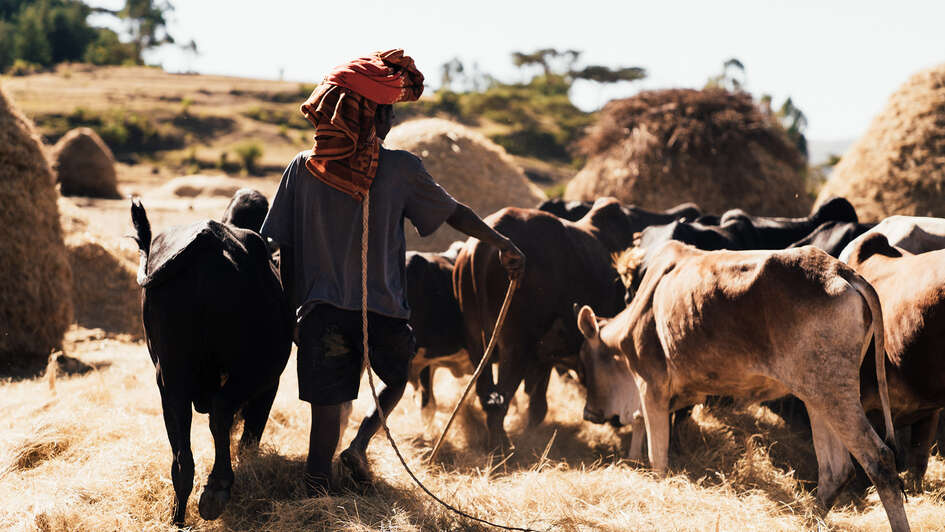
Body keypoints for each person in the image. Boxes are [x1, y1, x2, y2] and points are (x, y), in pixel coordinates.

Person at [259, 49, 525, 494]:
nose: (392, 122)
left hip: (319, 313)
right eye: (388, 112)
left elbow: (274, 245)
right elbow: (454, 214)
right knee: (400, 376)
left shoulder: (302, 169)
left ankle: (316, 490)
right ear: (368, 116)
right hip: (382, 309)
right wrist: (502, 243)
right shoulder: (400, 169)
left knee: (327, 405)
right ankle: (360, 443)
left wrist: (291, 315)